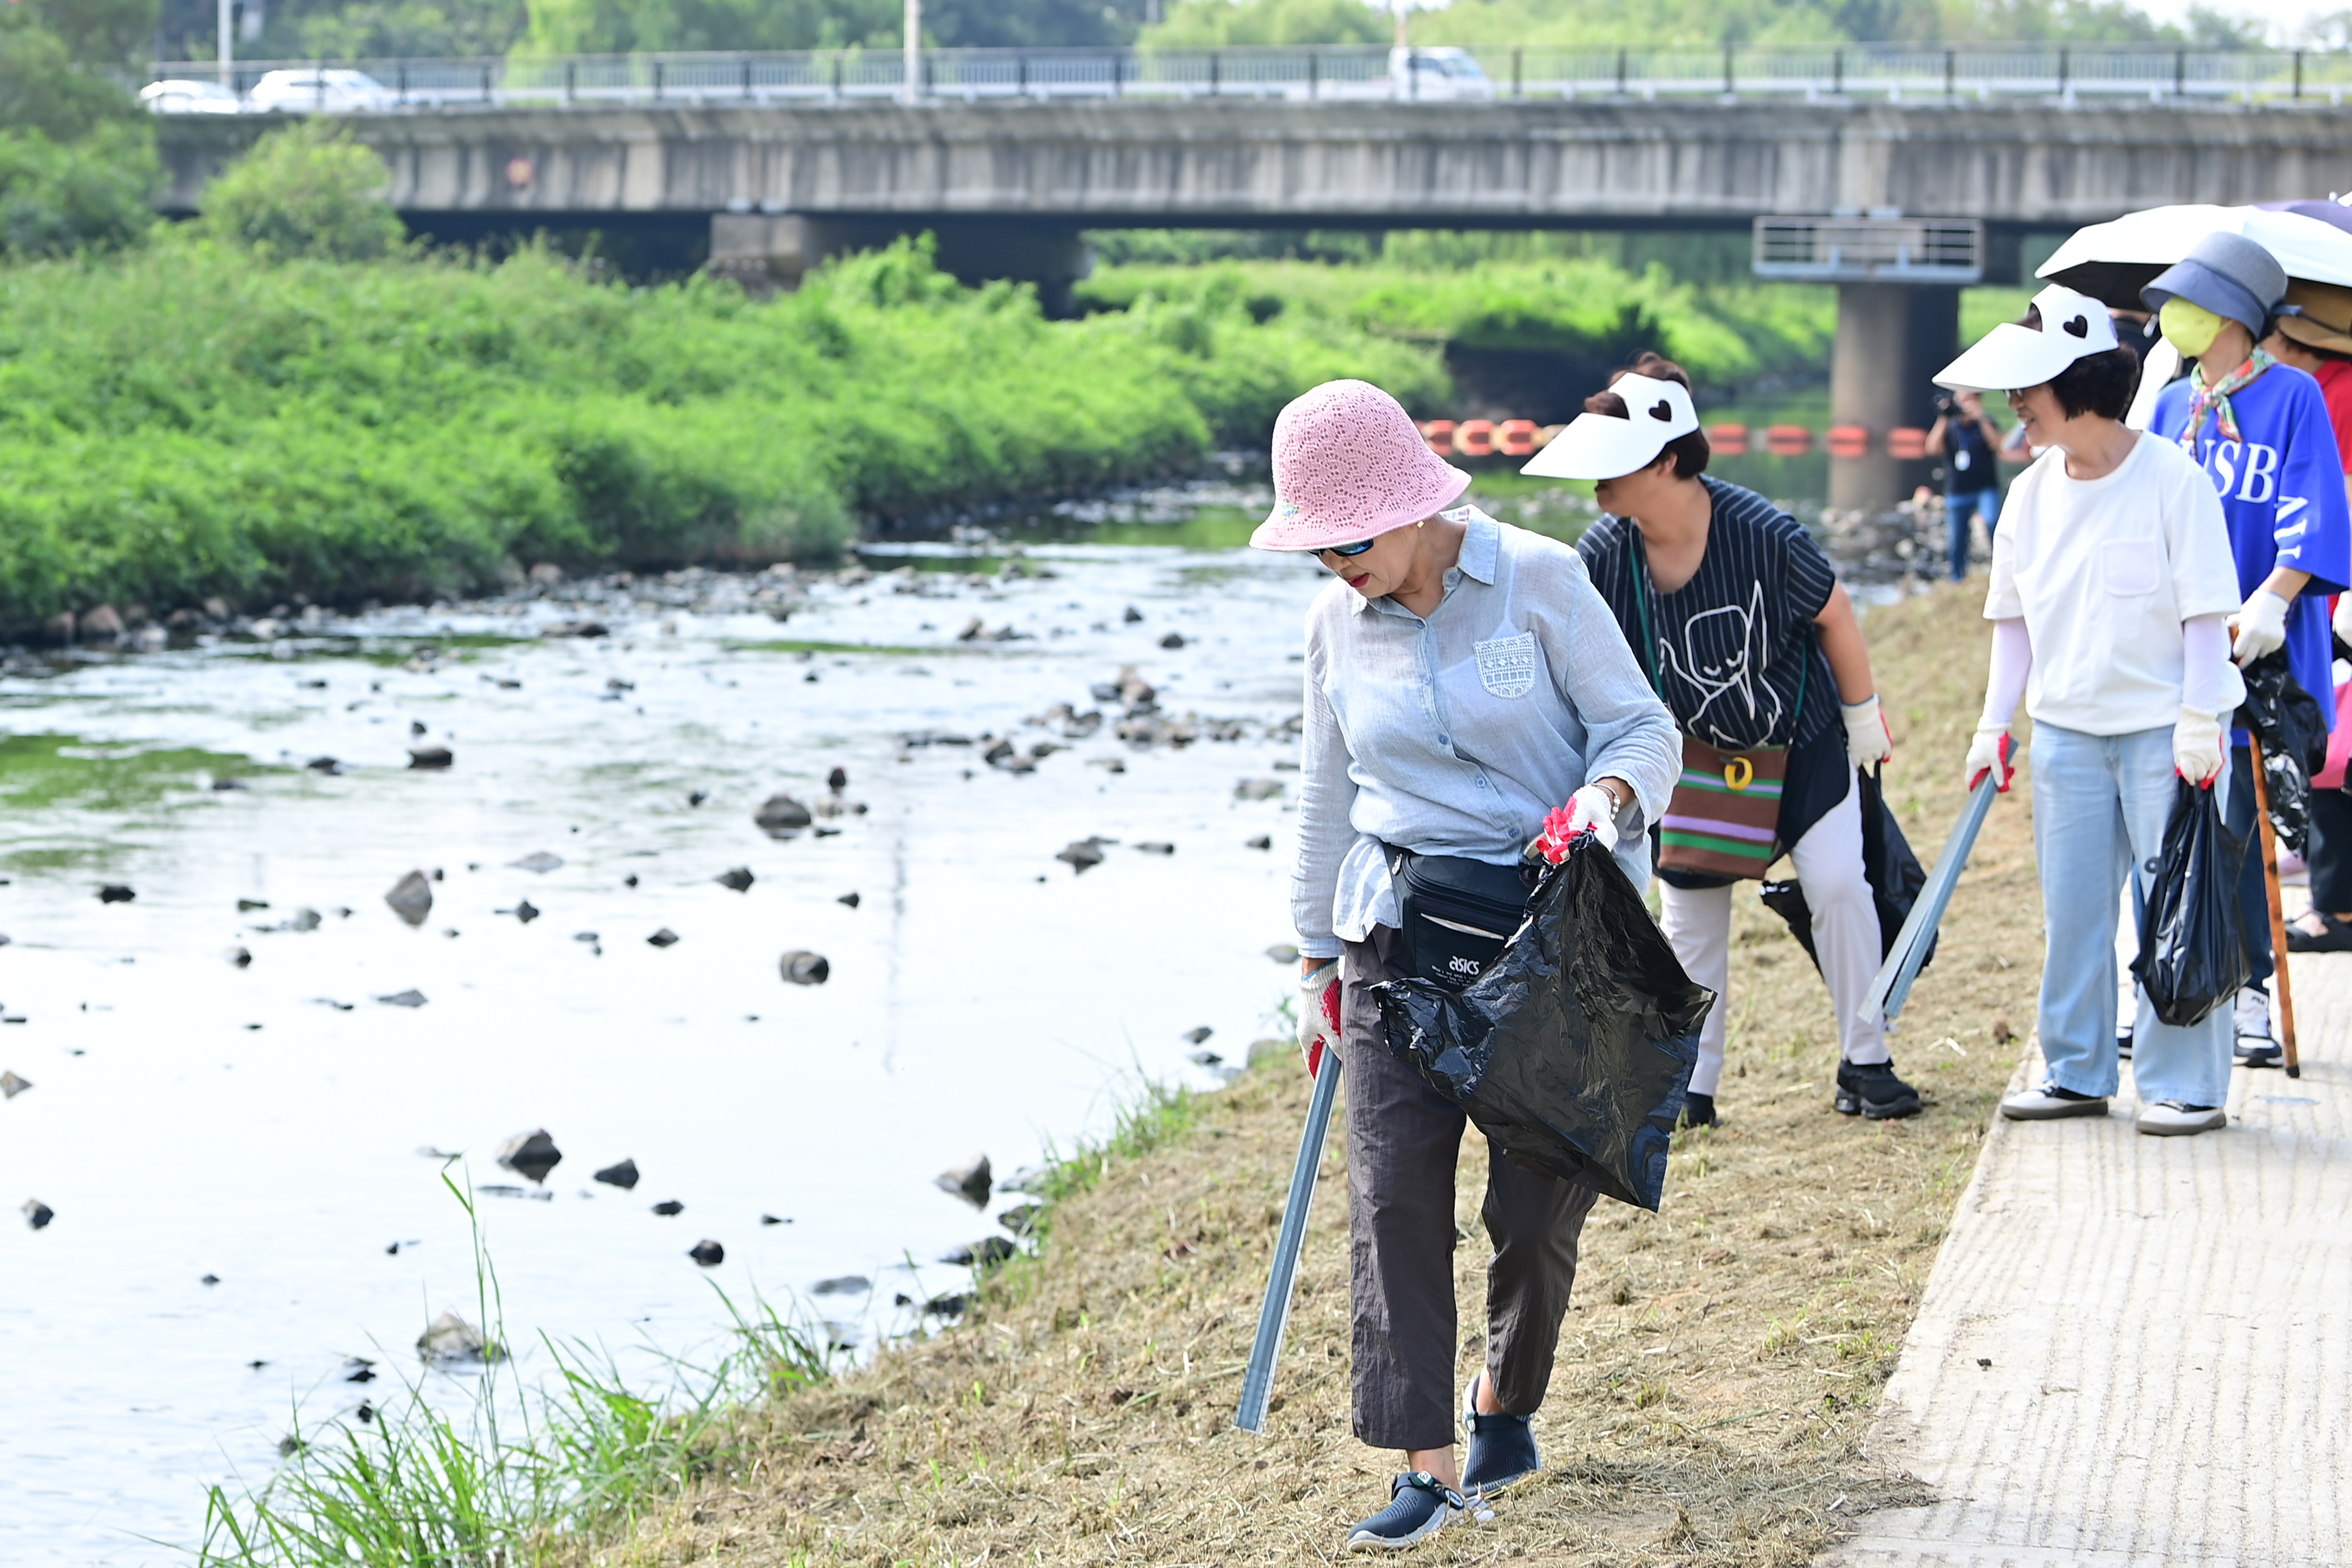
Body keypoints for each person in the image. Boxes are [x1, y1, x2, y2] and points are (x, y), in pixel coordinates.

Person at [1270, 379, 1680, 1552]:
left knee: (1538, 1203)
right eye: (1315, 548)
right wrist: (1311, 957)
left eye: (1349, 541)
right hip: (1395, 930)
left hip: (1549, 935)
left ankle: (1505, 1400)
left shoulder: (1543, 580)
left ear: (1411, 509)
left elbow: (1641, 729)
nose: (1337, 566)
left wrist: (1609, 799)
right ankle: (1427, 1467)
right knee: (1395, 1194)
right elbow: (1323, 798)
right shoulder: (1332, 627)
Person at [1531, 352, 1921, 1128]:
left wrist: (1863, 719)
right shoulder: (1602, 556)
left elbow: (1835, 615)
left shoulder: (1762, 533)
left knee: (1840, 886)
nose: (1597, 483)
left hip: (1801, 741)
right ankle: (1693, 1087)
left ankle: (1866, 1059)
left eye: (1617, 462)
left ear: (1669, 459)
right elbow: (1573, 663)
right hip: (1692, 763)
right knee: (1690, 921)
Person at [1944, 283, 2243, 1136]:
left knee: (2175, 908)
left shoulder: (2172, 480)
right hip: (2067, 735)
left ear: (2077, 385)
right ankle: (2076, 1070)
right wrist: (1993, 725)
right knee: (2072, 911)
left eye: (2028, 396)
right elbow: (2013, 624)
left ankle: (2186, 1083)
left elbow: (2202, 614)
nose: (2017, 413)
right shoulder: (2032, 494)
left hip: (2165, 736)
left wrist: (2198, 718)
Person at [2144, 233, 2352, 1068]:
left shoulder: (2294, 395)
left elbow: (2316, 503)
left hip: (2262, 648)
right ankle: (2171, 979)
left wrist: (2277, 594)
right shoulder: (2167, 405)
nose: (2173, 317)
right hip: (2177, 649)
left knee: (2246, 825)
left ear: (2234, 311)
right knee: (2167, 823)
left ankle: (2253, 991)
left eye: (2190, 301)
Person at [2262, 280, 2352, 953]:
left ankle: (2335, 908)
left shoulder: (2329, 394)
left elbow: (2336, 500)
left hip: (2332, 593)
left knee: (2327, 746)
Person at [1928, 389, 2005, 581]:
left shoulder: (1986, 423)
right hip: (1957, 490)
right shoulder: (1950, 426)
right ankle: (1957, 579)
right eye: (1962, 400)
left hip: (1985, 487)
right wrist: (1944, 418)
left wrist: (1980, 418)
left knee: (1992, 522)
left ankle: (2002, 569)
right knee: (1956, 540)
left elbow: (1998, 445)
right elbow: (1932, 448)